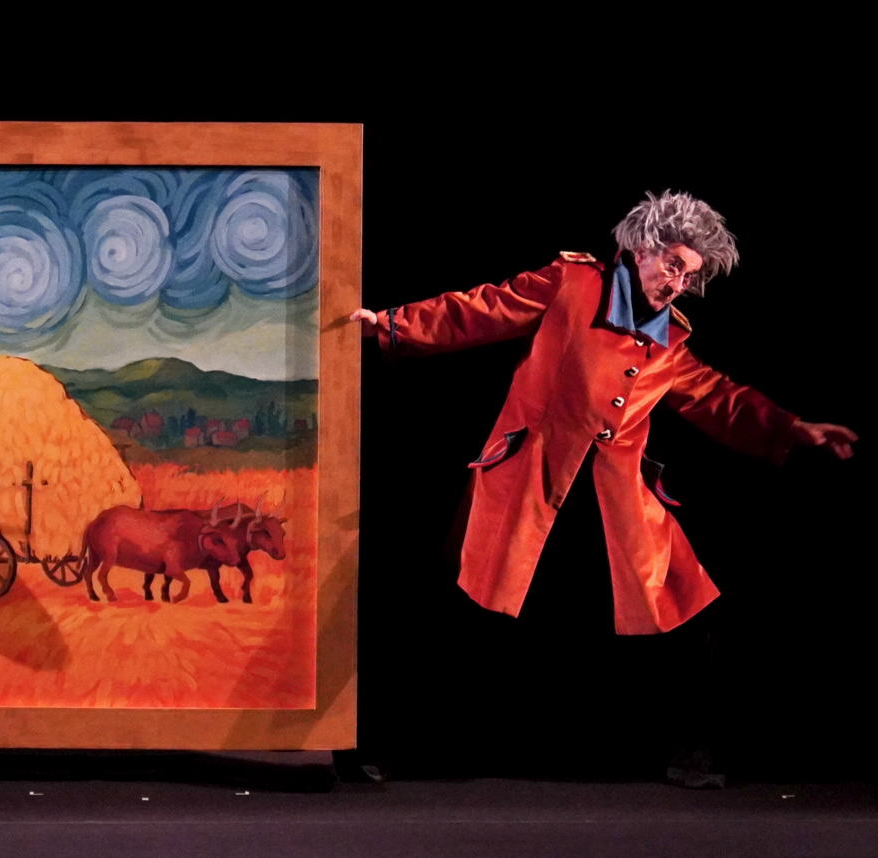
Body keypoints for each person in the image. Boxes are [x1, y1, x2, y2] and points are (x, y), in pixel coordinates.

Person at [349, 191, 857, 786]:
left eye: (688, 276)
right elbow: (484, 308)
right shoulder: (572, 284)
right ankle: (382, 744)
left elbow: (716, 395)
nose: (677, 285)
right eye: (673, 265)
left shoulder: (669, 341)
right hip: (532, 481)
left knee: (684, 608)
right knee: (462, 609)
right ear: (641, 248)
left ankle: (692, 751)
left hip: (614, 500)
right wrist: (392, 324)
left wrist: (791, 428)